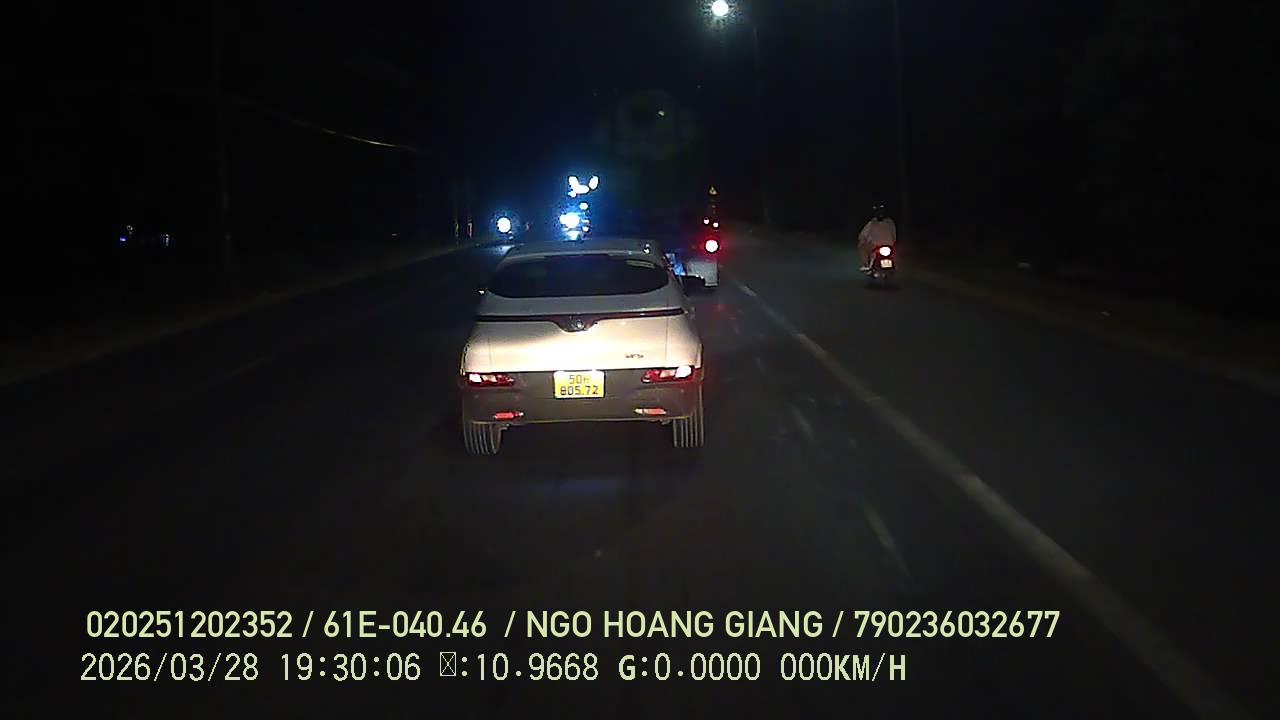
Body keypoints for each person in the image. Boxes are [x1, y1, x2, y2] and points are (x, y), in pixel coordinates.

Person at [857, 204, 897, 270]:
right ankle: (869, 265)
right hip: (888, 246)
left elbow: (863, 235)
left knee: (862, 247)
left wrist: (862, 239)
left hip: (876, 246)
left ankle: (866, 265)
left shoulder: (872, 223)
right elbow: (894, 235)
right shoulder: (890, 222)